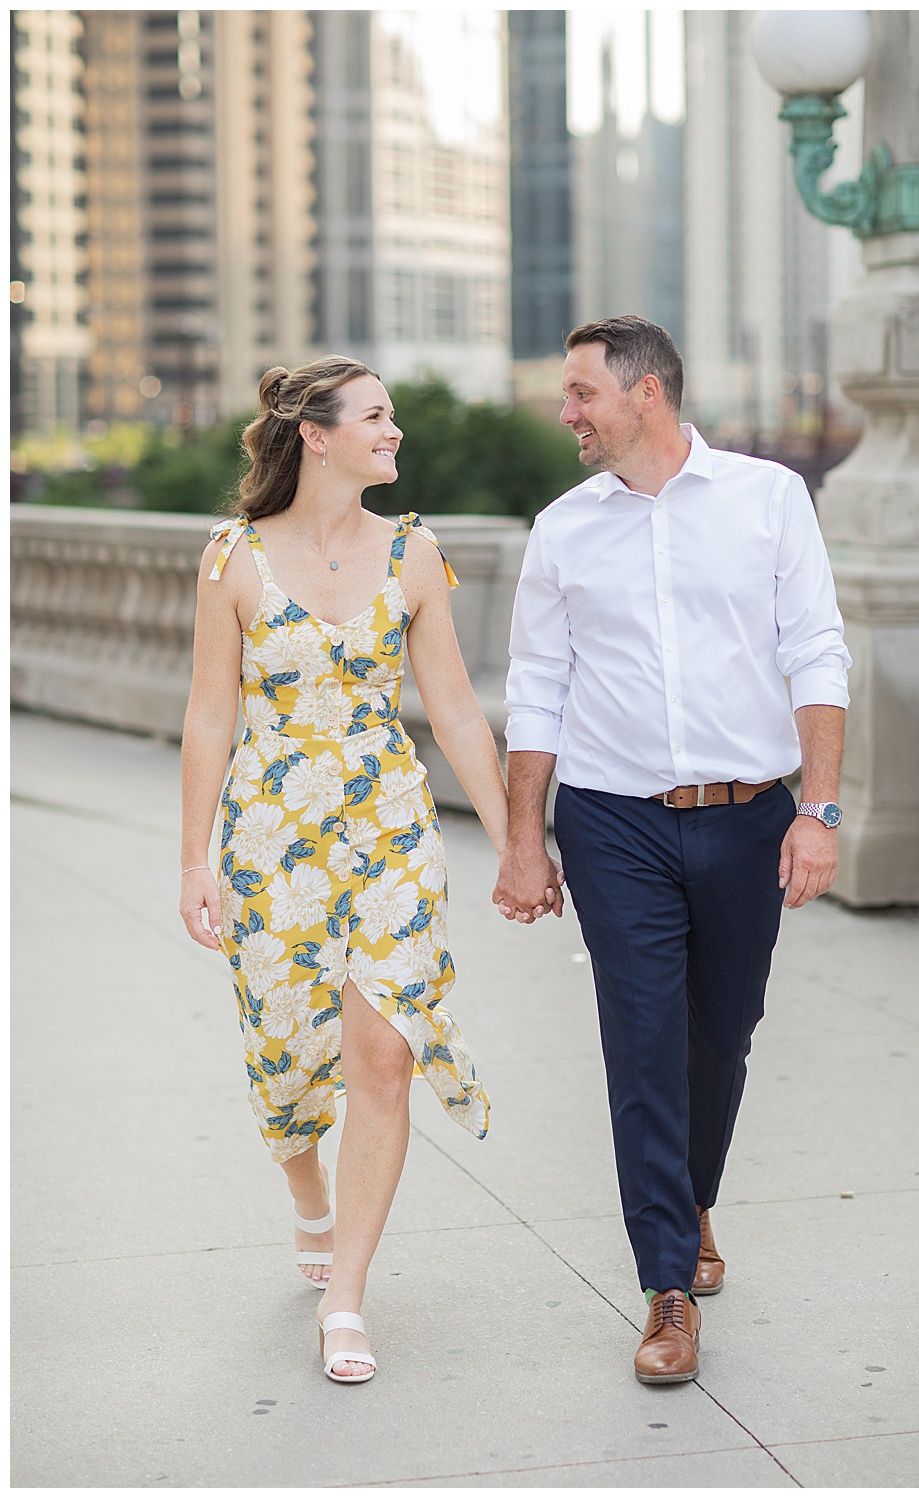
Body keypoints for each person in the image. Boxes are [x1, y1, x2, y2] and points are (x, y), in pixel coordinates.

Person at [495, 314, 849, 1385]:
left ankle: (691, 1198)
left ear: (644, 394)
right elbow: (536, 690)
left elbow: (815, 649)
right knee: (642, 1040)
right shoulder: (562, 529)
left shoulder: (767, 499)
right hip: (612, 820)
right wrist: (523, 838)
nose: (568, 413)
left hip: (749, 811)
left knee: (719, 1033)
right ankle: (664, 1287)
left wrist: (816, 812)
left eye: (581, 394)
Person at [178, 358, 507, 1384]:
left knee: (384, 1054)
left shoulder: (414, 551)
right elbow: (209, 712)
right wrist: (194, 857)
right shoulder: (233, 556)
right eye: (376, 416)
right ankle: (306, 1196)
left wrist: (512, 837)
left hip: (389, 832)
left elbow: (452, 707)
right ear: (316, 435)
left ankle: (347, 1293)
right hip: (270, 839)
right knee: (284, 1054)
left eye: (393, 414)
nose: (394, 431)